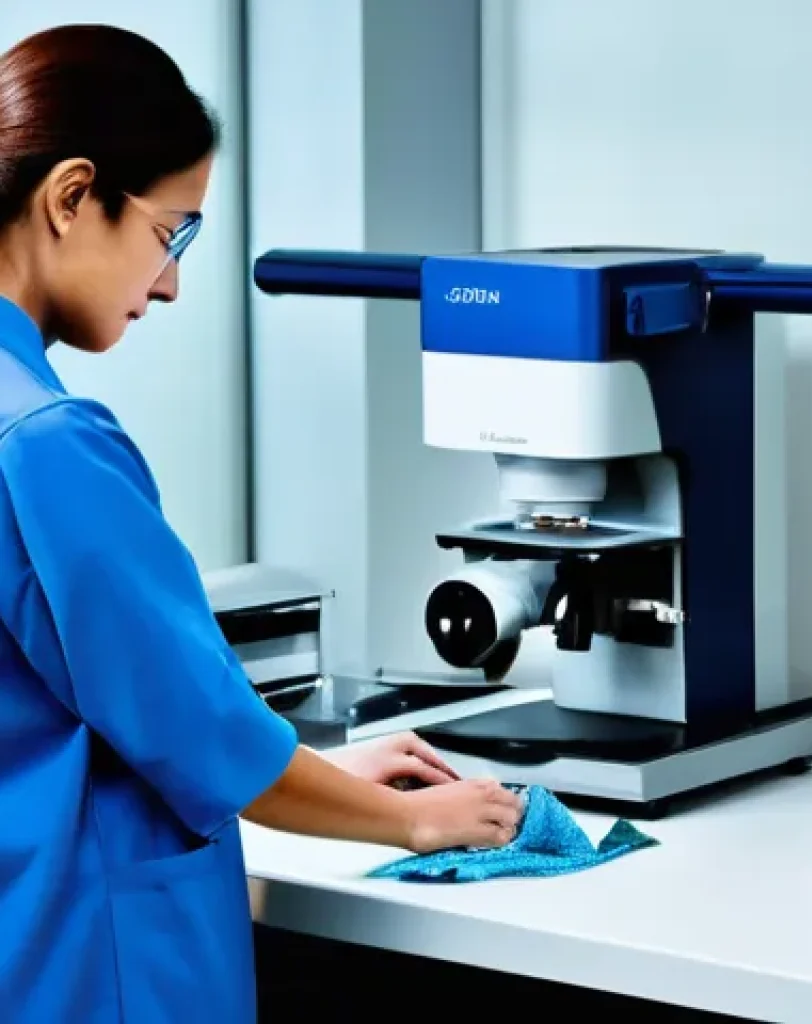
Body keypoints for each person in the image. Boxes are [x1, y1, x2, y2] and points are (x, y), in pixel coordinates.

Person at [0, 23, 522, 1023]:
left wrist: (311, 770)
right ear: (72, 197)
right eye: (170, 232)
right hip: (85, 966)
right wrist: (413, 822)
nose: (169, 283)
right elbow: (196, 731)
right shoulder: (44, 441)